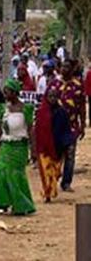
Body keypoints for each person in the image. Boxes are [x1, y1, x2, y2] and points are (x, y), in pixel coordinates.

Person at [0, 79, 36, 215]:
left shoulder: (26, 109)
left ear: (15, 93)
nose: (5, 95)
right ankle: (1, 202)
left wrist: (33, 149)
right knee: (0, 171)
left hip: (19, 147)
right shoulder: (3, 109)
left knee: (15, 175)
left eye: (7, 92)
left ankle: (21, 205)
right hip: (6, 145)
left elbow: (30, 130)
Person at [35, 88, 74, 202]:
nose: (52, 99)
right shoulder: (41, 111)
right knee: (46, 171)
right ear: (46, 97)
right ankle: (47, 193)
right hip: (44, 147)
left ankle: (52, 190)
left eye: (54, 96)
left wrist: (68, 145)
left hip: (58, 147)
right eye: (50, 96)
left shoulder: (62, 112)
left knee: (55, 172)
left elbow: (66, 130)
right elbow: (37, 129)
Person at [57, 59, 86, 192]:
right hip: (55, 126)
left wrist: (83, 124)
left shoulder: (78, 86)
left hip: (72, 126)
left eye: (67, 67)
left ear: (72, 69)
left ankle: (66, 182)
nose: (64, 69)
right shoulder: (54, 84)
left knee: (70, 155)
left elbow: (81, 107)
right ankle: (53, 177)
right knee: (55, 154)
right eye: (63, 66)